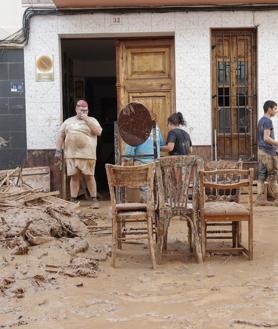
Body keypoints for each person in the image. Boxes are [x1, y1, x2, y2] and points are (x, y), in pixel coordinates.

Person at [55, 99, 102, 208]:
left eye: (85, 111)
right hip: (71, 154)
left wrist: (87, 120)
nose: (83, 112)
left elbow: (98, 132)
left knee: (89, 176)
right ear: (76, 109)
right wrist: (58, 150)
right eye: (81, 110)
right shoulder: (68, 121)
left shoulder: (92, 120)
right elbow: (61, 135)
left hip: (88, 155)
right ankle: (73, 199)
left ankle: (94, 199)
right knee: (74, 177)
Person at [256, 100, 278, 205]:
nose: (276, 111)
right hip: (268, 152)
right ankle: (277, 199)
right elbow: (266, 138)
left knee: (261, 175)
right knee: (273, 175)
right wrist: (277, 144)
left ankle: (260, 199)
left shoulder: (260, 120)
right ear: (269, 109)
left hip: (261, 151)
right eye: (275, 108)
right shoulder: (268, 121)